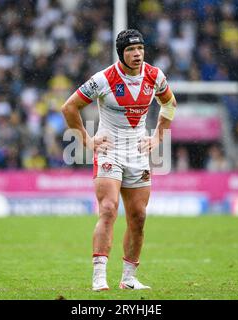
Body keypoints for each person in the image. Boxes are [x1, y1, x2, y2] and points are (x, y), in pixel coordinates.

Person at [61, 29, 176, 291]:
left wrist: (158, 137)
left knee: (138, 217)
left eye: (140, 49)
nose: (137, 54)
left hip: (138, 153)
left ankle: (128, 278)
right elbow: (69, 107)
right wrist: (87, 140)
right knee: (109, 209)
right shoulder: (103, 79)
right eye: (131, 50)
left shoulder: (155, 76)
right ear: (121, 53)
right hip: (109, 150)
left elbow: (170, 104)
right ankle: (99, 276)